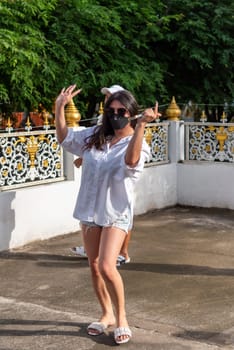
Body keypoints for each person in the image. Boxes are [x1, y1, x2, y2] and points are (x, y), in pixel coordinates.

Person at [55, 84, 159, 344]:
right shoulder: (94, 135)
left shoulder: (136, 141)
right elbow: (65, 139)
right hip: (90, 210)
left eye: (121, 110)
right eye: (110, 110)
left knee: (106, 265)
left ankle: (122, 318)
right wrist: (59, 107)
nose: (115, 114)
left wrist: (142, 126)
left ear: (131, 113)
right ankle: (106, 315)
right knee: (93, 266)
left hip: (116, 212)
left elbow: (131, 162)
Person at [71, 84, 131, 266]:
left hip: (120, 175)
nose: (108, 100)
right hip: (100, 174)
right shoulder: (103, 118)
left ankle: (123, 252)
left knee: (122, 217)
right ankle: (94, 248)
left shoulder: (122, 120)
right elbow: (96, 145)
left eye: (111, 96)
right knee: (95, 216)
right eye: (107, 97)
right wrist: (84, 157)